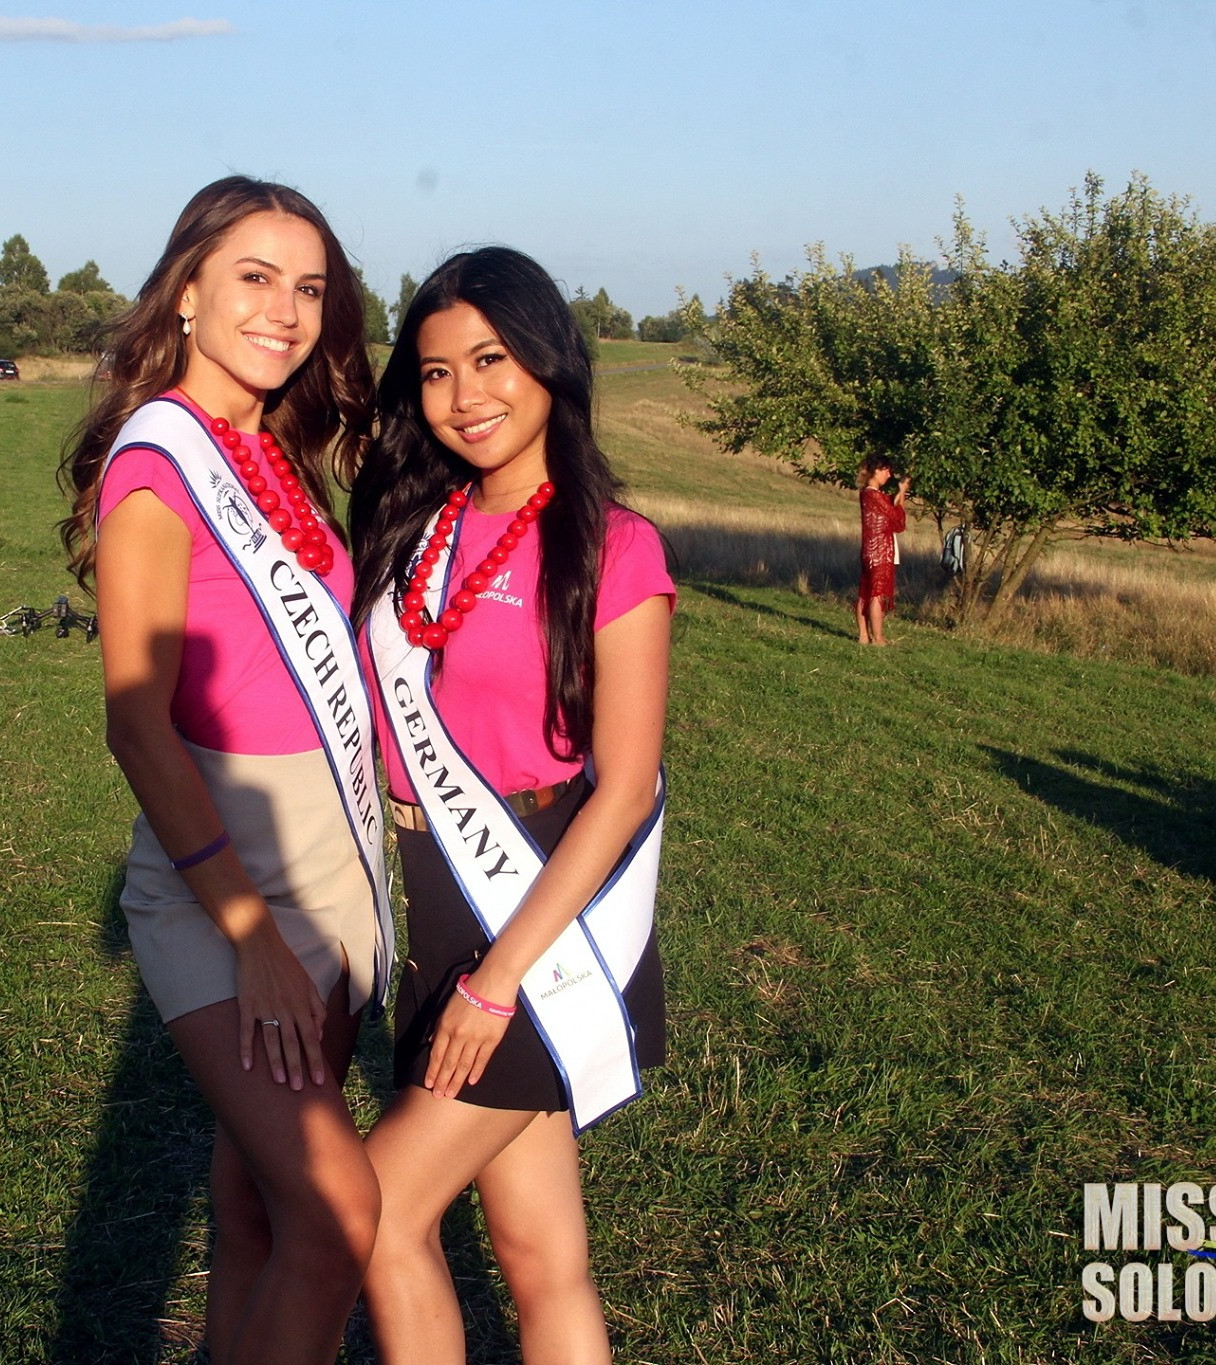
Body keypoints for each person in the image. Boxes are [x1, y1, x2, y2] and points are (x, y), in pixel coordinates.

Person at [58, 176, 384, 1365]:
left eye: (308, 289)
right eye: (254, 278)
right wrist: (246, 930)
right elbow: (136, 725)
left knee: (256, 1209)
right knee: (338, 1209)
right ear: (187, 290)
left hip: (333, 869)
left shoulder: (276, 453)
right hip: (220, 884)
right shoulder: (160, 467)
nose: (284, 312)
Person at [349, 247, 674, 1363]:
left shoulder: (613, 547)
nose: (464, 397)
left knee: (375, 1211)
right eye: (434, 373)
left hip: (541, 909)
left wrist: (494, 985)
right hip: (436, 893)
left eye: (489, 360)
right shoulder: (418, 527)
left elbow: (623, 786)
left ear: (548, 360)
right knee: (539, 1256)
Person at [857, 453, 908, 645]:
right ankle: (878, 638)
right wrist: (902, 494)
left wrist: (898, 494)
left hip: (868, 550)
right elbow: (898, 522)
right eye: (886, 470)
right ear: (877, 471)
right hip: (880, 551)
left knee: (865, 592)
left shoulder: (866, 494)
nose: (889, 474)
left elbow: (889, 511)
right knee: (877, 594)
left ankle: (864, 635)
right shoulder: (874, 495)